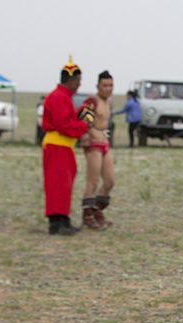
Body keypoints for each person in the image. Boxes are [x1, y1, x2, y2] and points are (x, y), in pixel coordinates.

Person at [41, 55, 90, 236]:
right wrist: (84, 126)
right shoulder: (59, 98)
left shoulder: (62, 97)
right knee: (57, 185)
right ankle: (56, 223)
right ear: (72, 79)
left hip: (63, 147)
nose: (79, 85)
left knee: (64, 185)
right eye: (78, 81)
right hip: (57, 146)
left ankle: (63, 219)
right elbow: (64, 126)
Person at [79, 70, 116, 229]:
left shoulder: (109, 102)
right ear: (98, 86)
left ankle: (96, 210)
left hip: (104, 141)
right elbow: (80, 116)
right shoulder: (92, 101)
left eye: (110, 85)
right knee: (92, 182)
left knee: (109, 181)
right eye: (105, 85)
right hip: (93, 143)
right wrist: (84, 136)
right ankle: (87, 216)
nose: (108, 89)